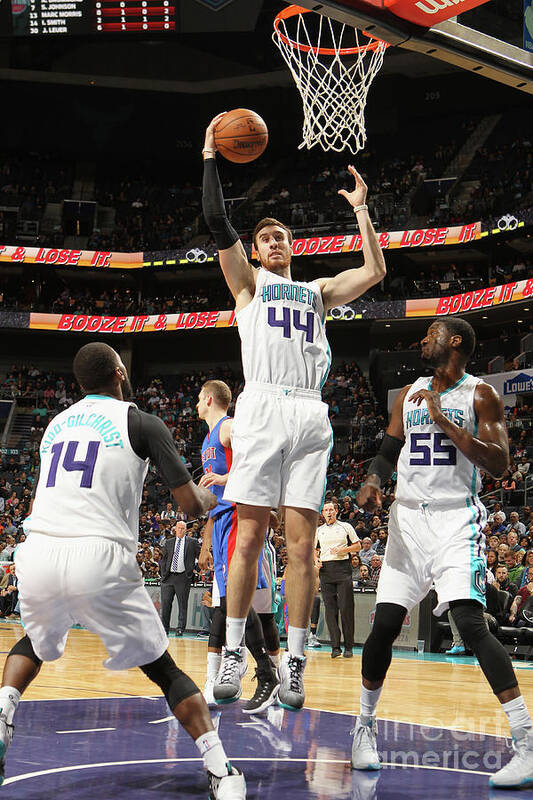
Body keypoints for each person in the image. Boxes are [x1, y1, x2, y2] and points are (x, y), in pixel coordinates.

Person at [0, 342, 246, 798]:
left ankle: (2, 715)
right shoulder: (141, 421)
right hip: (99, 555)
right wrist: (224, 495)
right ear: (119, 372)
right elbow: (191, 502)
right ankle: (220, 769)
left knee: (34, 638)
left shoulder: (54, 424)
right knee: (165, 669)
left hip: (36, 549)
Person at [202, 113, 386, 710]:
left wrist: (361, 210)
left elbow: (376, 271)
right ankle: (233, 653)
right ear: (254, 251)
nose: (277, 243)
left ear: (293, 247)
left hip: (310, 413)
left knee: (302, 547)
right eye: (267, 238)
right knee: (250, 534)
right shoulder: (247, 287)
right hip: (260, 403)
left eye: (284, 237)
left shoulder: (318, 291)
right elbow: (215, 219)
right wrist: (210, 155)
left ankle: (297, 666)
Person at [352, 317, 533, 790]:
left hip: (456, 520)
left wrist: (443, 420)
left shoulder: (480, 395)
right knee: (386, 625)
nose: (422, 339)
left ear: (454, 342)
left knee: (472, 625)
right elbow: (390, 447)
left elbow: (499, 464)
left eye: (431, 332)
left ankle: (526, 743)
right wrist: (373, 480)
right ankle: (363, 729)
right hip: (408, 521)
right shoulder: (409, 391)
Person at [196, 380, 280, 714]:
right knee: (233, 601)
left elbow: (256, 462)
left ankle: (260, 667)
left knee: (237, 597)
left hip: (236, 515)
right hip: (220, 520)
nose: (196, 405)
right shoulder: (208, 437)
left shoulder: (228, 427)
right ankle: (254, 665)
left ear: (209, 399)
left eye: (199, 400)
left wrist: (222, 480)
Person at [315, 501, 360, 659]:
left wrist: (343, 550)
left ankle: (349, 646)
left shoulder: (345, 527)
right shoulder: (319, 530)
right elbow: (314, 550)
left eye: (331, 510)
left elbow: (357, 546)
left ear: (336, 511)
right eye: (326, 510)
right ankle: (335, 647)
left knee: (346, 608)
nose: (328, 512)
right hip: (326, 570)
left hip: (343, 568)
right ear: (322, 513)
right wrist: (316, 560)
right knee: (330, 609)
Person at [160, 520, 201, 636]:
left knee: (182, 604)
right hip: (168, 578)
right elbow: (163, 559)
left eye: (183, 528)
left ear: (186, 530)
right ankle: (164, 629)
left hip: (183, 577)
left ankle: (180, 628)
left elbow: (200, 556)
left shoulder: (192, 542)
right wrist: (163, 573)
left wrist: (195, 570)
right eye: (179, 528)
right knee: (166, 604)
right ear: (175, 529)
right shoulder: (168, 542)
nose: (180, 530)